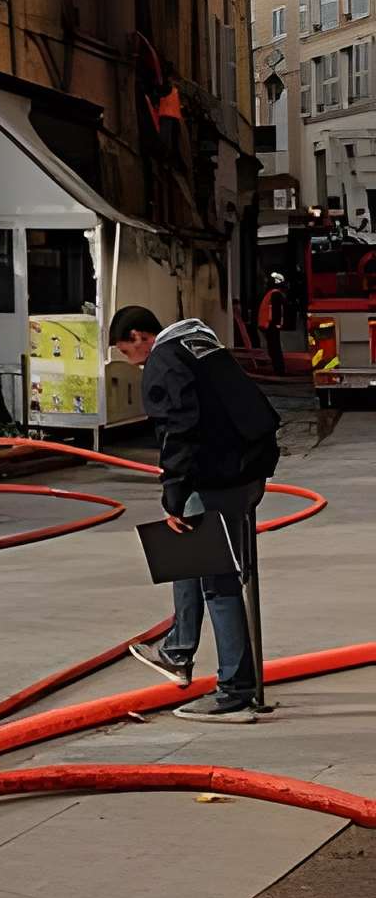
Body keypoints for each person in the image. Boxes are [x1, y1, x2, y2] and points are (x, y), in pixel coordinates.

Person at [107, 305, 281, 724]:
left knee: (218, 582)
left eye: (123, 350)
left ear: (137, 336)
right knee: (187, 551)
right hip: (249, 466)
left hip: (217, 475)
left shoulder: (164, 360)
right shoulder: (199, 344)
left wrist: (174, 492)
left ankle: (234, 691)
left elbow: (178, 428)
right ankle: (178, 650)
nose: (128, 360)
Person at [257, 273, 289, 377]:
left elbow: (275, 311)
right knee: (275, 348)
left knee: (274, 348)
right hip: (271, 325)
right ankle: (279, 370)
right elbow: (277, 311)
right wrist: (277, 324)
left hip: (268, 325)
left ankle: (278, 370)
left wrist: (276, 324)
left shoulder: (271, 294)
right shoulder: (275, 294)